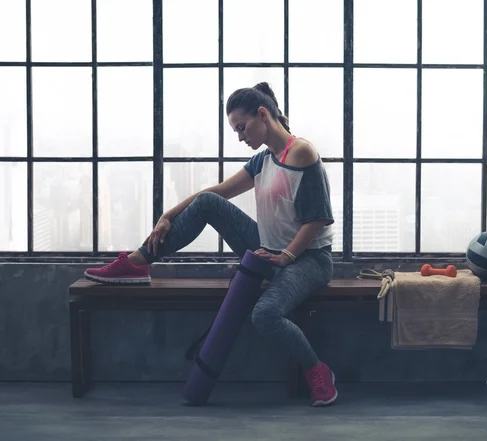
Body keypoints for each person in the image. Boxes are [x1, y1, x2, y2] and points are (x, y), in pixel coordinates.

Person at [84, 82, 338, 407]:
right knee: (206, 203)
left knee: (265, 315)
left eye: (242, 127)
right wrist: (168, 214)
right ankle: (137, 262)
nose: (240, 136)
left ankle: (318, 370)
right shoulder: (263, 161)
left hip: (309, 259)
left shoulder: (301, 152)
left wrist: (286, 257)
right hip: (269, 249)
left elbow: (318, 219)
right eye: (236, 130)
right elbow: (216, 193)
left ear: (263, 115)